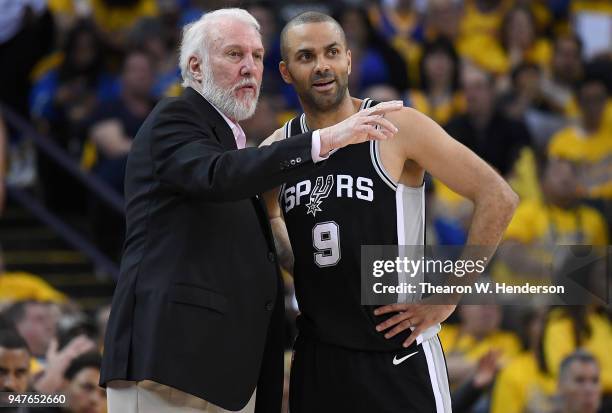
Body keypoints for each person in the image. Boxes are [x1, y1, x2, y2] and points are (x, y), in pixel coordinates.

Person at [99, 8, 402, 413]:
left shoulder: (233, 148)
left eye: (257, 56)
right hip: (172, 368)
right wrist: (324, 140)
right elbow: (217, 176)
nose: (249, 68)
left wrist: (435, 288)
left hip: (225, 378)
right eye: (234, 54)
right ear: (196, 66)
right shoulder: (174, 119)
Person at [261, 11, 518, 413]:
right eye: (306, 56)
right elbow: (268, 213)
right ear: (286, 71)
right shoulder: (279, 147)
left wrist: (448, 295)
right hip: (319, 359)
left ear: (348, 59)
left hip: (397, 357)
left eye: (331, 52)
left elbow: (498, 195)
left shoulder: (398, 125)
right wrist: (298, 262)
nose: (322, 65)